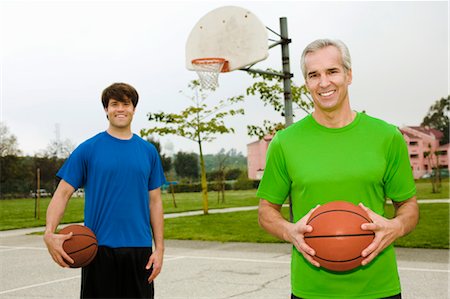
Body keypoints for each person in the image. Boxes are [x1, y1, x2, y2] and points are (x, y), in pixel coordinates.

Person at [257, 39, 419, 299]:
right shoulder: (284, 142)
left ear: (349, 74)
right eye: (314, 75)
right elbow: (266, 211)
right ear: (306, 82)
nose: (323, 82)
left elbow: (409, 206)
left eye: (332, 71)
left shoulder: (387, 136)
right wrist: (289, 230)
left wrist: (396, 227)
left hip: (379, 289)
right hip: (311, 291)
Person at [44, 82, 166, 299]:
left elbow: (154, 202)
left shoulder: (148, 152)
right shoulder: (88, 149)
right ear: (106, 110)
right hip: (98, 249)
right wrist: (49, 232)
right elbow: (62, 193)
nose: (120, 109)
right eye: (114, 104)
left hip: (139, 250)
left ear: (134, 108)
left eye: (126, 104)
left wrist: (160, 249)